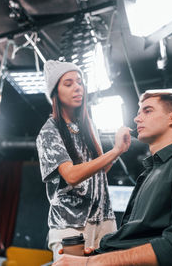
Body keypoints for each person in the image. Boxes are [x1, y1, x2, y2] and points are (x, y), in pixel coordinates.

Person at [53, 92, 172, 266]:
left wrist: (92, 262)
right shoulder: (147, 174)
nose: (136, 119)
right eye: (138, 113)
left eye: (147, 111)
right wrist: (93, 255)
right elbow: (129, 242)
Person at [36, 60, 131, 261]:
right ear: (55, 92)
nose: (77, 87)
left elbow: (100, 171)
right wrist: (114, 151)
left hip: (104, 220)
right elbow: (71, 176)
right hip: (70, 224)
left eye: (79, 82)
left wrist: (119, 150)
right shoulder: (49, 131)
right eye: (68, 84)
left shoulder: (88, 125)